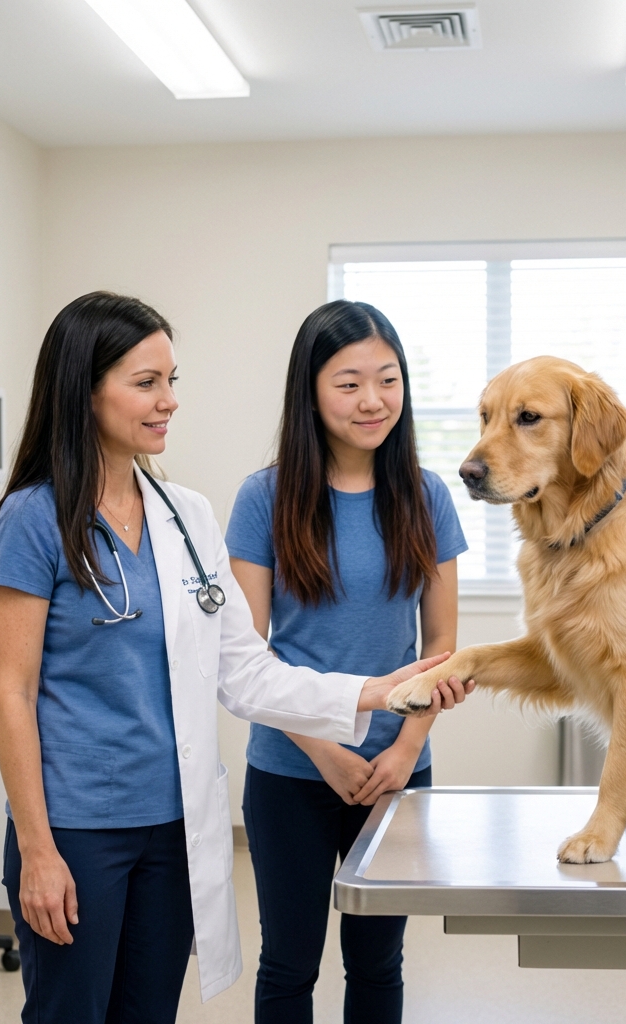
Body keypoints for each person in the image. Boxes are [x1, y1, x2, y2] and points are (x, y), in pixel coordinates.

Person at [0, 292, 472, 1024]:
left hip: (172, 818)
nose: (169, 402)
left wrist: (371, 694)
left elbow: (242, 667)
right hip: (77, 823)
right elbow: (11, 695)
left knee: (149, 1012)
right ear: (83, 389)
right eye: (147, 383)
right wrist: (38, 849)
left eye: (171, 380)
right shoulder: (32, 518)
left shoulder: (185, 516)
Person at [226, 299, 468, 1024]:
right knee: (289, 965)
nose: (373, 400)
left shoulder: (425, 496)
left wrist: (406, 750)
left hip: (399, 772)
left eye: (388, 379)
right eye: (349, 382)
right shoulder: (263, 498)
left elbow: (442, 652)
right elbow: (248, 652)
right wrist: (325, 748)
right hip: (291, 770)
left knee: (378, 965)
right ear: (311, 390)